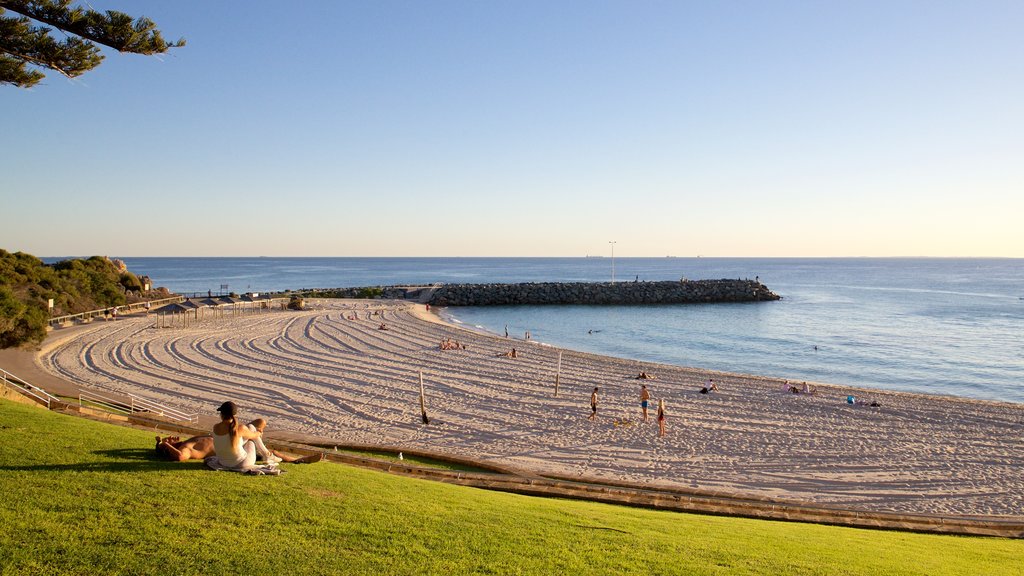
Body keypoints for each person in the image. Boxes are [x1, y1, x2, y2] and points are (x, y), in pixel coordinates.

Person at [211, 401, 264, 470]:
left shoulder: (215, 427)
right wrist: (259, 432)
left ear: (221, 414)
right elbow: (254, 436)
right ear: (234, 415)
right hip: (243, 463)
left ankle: (266, 455)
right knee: (251, 428)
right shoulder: (240, 428)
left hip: (223, 463)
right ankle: (266, 454)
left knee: (245, 435)